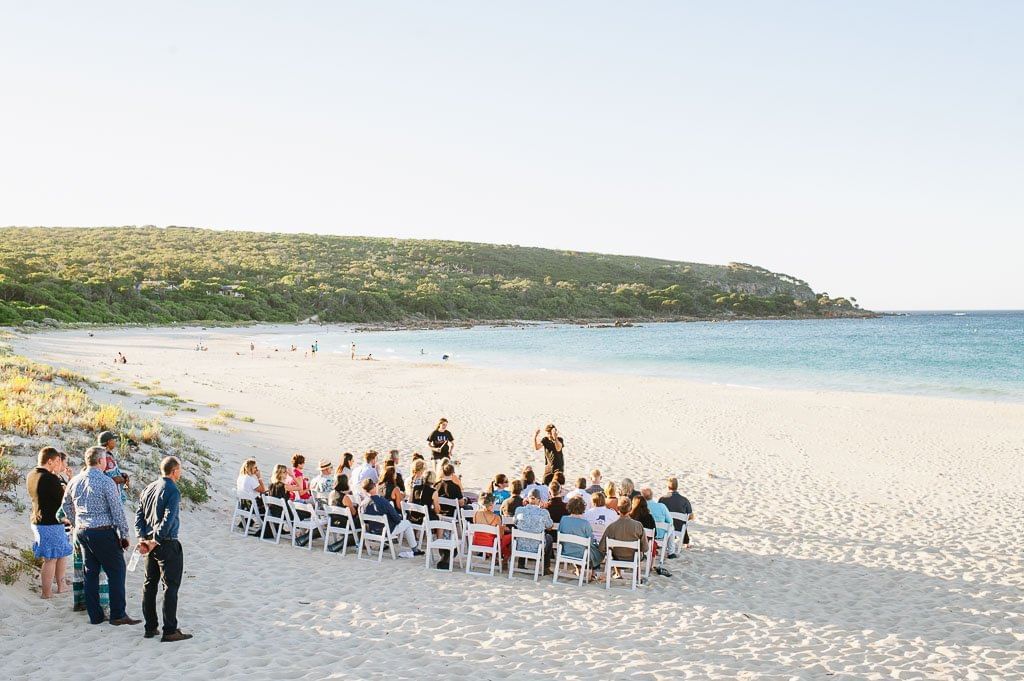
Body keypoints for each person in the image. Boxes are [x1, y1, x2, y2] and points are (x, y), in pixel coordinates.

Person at [61, 446, 140, 626]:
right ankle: (118, 614)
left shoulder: (75, 480)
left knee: (91, 572)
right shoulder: (106, 482)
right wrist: (125, 534)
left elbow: (65, 505)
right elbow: (117, 509)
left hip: (82, 531)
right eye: (105, 459)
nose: (106, 462)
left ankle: (95, 615)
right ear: (99, 461)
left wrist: (75, 521)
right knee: (117, 571)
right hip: (102, 531)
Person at [135, 456, 192, 642]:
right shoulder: (172, 490)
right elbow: (168, 518)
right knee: (170, 586)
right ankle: (169, 629)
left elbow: (139, 516)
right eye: (179, 470)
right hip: (165, 542)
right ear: (174, 471)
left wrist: (143, 538)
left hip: (150, 542)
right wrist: (156, 539)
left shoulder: (149, 488)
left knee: (149, 584)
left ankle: (150, 627)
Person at [27, 447, 73, 598]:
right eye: (57, 461)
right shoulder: (49, 478)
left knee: (57, 555)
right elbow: (65, 499)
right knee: (50, 559)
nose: (59, 464)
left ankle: (60, 586)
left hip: (38, 519)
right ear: (50, 461)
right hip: (49, 522)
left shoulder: (32, 474)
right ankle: (46, 593)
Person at [358, 480, 424, 558]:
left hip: (372, 531)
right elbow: (397, 519)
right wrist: (399, 517)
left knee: (397, 522)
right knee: (407, 523)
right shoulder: (383, 501)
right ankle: (415, 550)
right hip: (386, 531)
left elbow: (365, 521)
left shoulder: (363, 504)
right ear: (375, 486)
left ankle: (386, 545)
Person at [599, 498, 649, 580]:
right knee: (638, 552)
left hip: (616, 559)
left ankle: (618, 573)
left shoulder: (612, 526)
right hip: (633, 558)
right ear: (630, 509)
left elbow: (602, 547)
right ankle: (637, 576)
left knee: (613, 551)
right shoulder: (638, 525)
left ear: (618, 509)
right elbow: (645, 548)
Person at [557, 496, 602, 576]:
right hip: (581, 554)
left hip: (565, 551)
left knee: (582, 547)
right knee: (598, 550)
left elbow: (559, 534)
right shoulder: (585, 523)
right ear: (582, 508)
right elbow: (590, 541)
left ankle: (579, 569)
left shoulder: (563, 519)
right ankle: (593, 573)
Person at [512, 490, 554, 574]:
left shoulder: (519, 510)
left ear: (528, 499)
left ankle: (521, 563)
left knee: (523, 532)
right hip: (537, 548)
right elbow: (549, 526)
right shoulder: (544, 512)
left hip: (520, 546)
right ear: (539, 500)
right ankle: (546, 567)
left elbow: (515, 522)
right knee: (549, 538)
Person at [659, 476, 694, 556]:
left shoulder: (662, 499)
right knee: (684, 522)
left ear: (668, 487)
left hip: (665, 527)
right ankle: (686, 541)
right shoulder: (684, 500)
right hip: (679, 527)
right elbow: (691, 515)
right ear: (677, 487)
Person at [641, 487, 673, 575]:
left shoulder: (641, 508)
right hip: (659, 535)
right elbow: (670, 521)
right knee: (671, 527)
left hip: (645, 535)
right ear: (652, 495)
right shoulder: (661, 506)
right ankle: (671, 551)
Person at [262, 465, 296, 538]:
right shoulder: (285, 486)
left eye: (286, 472)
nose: (286, 473)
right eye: (284, 472)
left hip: (274, 513)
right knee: (303, 513)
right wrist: (292, 476)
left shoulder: (271, 485)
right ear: (279, 474)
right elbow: (300, 487)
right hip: (284, 514)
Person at [97, 430, 129, 503]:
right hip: (111, 498)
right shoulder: (105, 457)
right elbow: (113, 479)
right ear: (109, 442)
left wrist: (122, 476)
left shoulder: (101, 454)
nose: (115, 442)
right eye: (113, 440)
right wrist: (123, 479)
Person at [470, 493, 504, 557]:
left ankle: (487, 554)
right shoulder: (496, 517)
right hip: (490, 544)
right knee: (507, 538)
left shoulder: (476, 514)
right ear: (492, 504)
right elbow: (500, 535)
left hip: (476, 542)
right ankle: (500, 556)